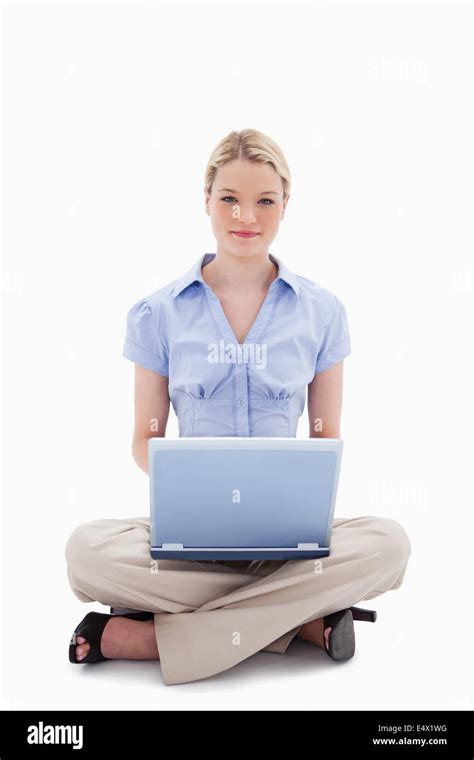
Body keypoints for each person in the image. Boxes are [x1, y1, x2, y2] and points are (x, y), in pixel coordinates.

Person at [65, 128, 411, 686]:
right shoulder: (158, 314)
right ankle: (296, 622)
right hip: (186, 545)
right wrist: (190, 483)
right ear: (206, 201)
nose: (245, 215)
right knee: (85, 553)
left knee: (389, 545)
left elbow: (326, 438)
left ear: (285, 206)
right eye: (229, 198)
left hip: (287, 544)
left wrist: (292, 493)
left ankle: (153, 635)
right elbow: (143, 436)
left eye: (264, 200)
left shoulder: (322, 312)